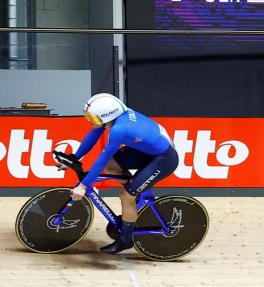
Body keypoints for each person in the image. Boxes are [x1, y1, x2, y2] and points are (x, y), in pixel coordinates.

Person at [57, 93, 179, 255]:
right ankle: (137, 190)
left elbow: (100, 160)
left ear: (107, 116)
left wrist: (83, 185)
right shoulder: (118, 115)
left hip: (163, 160)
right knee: (112, 166)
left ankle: (126, 239)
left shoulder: (119, 130)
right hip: (149, 151)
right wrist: (74, 157)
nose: (91, 121)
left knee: (125, 195)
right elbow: (94, 135)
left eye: (93, 118)